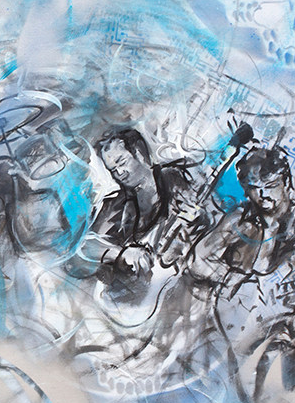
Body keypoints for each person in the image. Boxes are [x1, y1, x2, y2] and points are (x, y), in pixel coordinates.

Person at [179, 146, 295, 396]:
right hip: (240, 333)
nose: (262, 194)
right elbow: (197, 264)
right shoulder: (239, 221)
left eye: (270, 185)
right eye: (253, 187)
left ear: (286, 182)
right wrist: (229, 271)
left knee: (290, 392)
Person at [67, 127, 203, 302]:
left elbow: (202, 211)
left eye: (122, 162)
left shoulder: (174, 178)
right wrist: (122, 253)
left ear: (139, 153)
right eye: (113, 170)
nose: (120, 174)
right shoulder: (118, 204)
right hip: (147, 294)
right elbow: (84, 246)